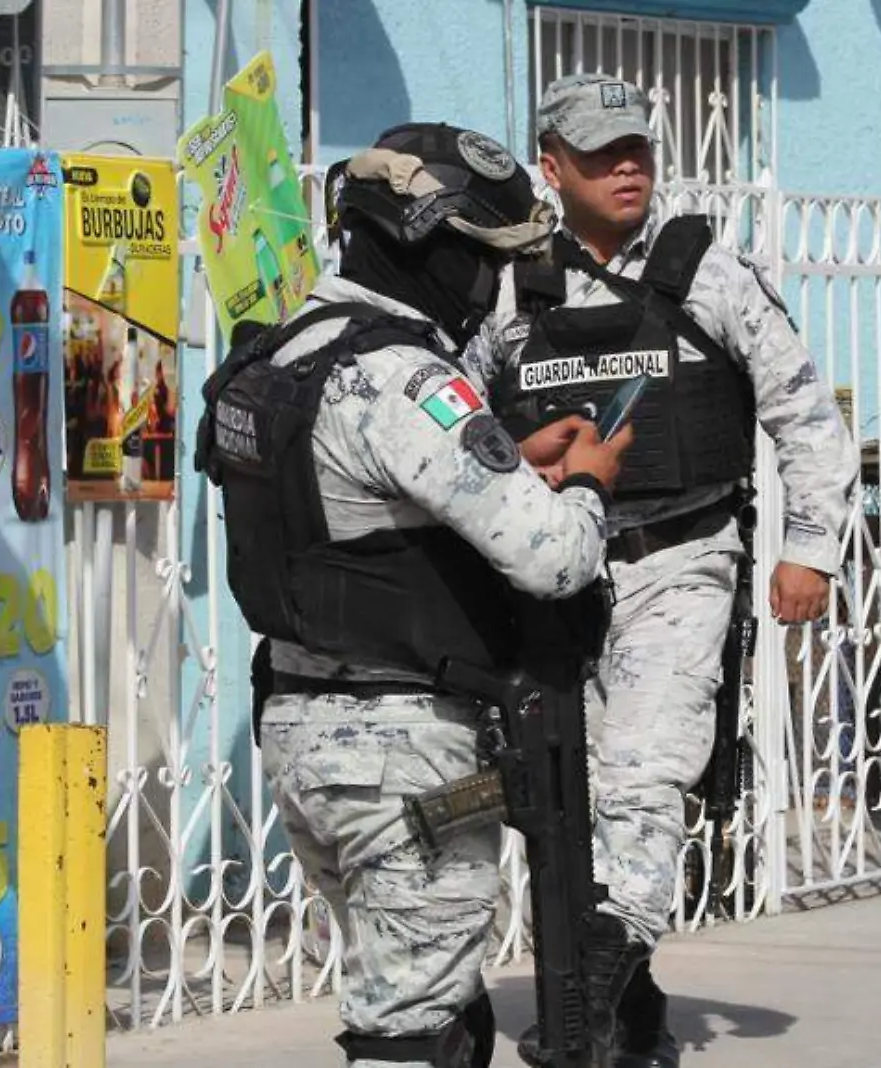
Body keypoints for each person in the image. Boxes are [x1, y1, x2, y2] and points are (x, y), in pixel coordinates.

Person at [195, 121, 635, 1068]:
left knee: (432, 1003)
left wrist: (513, 462)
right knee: (414, 1029)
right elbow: (555, 559)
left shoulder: (281, 353)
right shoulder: (405, 378)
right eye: (486, 259)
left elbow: (357, 516)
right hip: (404, 751)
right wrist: (592, 481)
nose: (495, 284)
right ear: (431, 248)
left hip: (307, 733)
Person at [463, 74, 861, 1068]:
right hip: (550, 582)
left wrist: (809, 549)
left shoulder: (708, 272)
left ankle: (580, 1007)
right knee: (560, 802)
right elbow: (457, 426)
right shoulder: (511, 290)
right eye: (601, 154)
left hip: (680, 560)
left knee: (646, 784)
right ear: (551, 167)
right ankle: (627, 1012)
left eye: (637, 147)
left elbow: (805, 419)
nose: (628, 166)